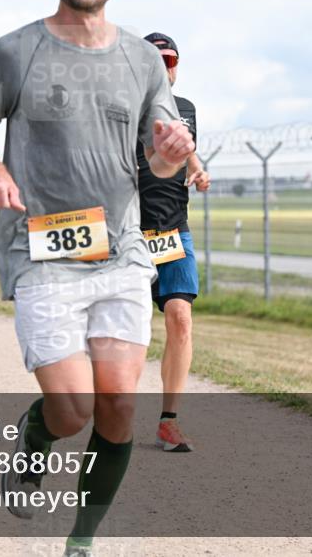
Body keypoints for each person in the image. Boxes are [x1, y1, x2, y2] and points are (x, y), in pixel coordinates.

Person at [0, 0, 194, 557]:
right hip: (42, 252)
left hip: (120, 252)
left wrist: (174, 153)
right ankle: (35, 439)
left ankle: (81, 541)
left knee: (117, 407)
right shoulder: (15, 51)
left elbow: (162, 159)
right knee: (73, 410)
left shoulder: (142, 59)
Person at [135, 32, 210, 453]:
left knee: (180, 317)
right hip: (128, 232)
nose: (165, 68)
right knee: (124, 330)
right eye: (156, 60)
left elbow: (188, 151)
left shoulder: (186, 110)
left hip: (173, 231)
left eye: (171, 61)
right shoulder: (122, 109)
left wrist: (198, 170)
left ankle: (168, 421)